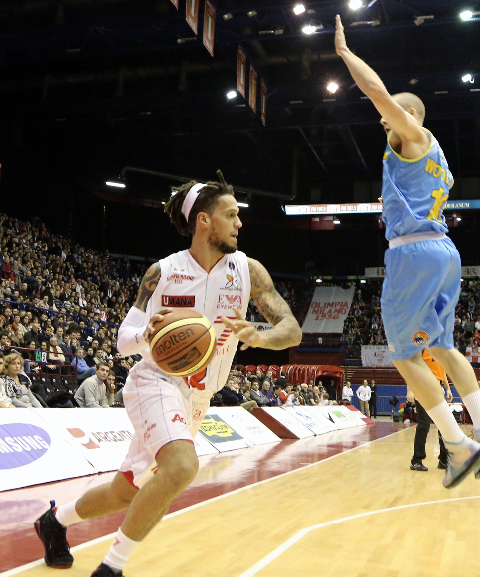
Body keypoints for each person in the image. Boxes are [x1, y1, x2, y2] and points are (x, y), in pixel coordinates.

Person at [34, 176, 302, 577]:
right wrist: (149, 334)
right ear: (204, 221)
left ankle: (55, 522)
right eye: (231, 215)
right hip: (155, 381)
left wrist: (259, 335)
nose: (239, 223)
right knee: (181, 467)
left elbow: (291, 329)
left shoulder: (248, 271)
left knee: (127, 492)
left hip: (198, 397)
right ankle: (111, 568)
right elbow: (124, 340)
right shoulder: (163, 273)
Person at [335, 16, 480, 488]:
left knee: (403, 355)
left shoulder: (412, 139)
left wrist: (347, 55)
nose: (382, 121)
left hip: (413, 253)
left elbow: (376, 92)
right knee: (444, 347)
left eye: (391, 115)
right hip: (444, 251)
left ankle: (457, 444)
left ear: (409, 116)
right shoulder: (435, 158)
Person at [409, 349, 451, 471]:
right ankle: (416, 460)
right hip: (423, 387)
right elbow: (410, 368)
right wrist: (410, 390)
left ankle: (443, 460)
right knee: (424, 425)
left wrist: (448, 388)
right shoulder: (421, 346)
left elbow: (441, 371)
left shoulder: (441, 348)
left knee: (444, 425)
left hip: (437, 389)